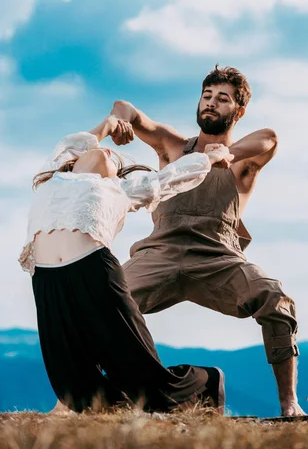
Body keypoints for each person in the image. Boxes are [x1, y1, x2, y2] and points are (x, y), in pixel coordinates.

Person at [111, 66, 305, 417]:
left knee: (276, 300)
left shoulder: (242, 161)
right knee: (101, 302)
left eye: (222, 99)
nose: (211, 104)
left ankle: (289, 405)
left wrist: (226, 154)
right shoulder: (172, 147)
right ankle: (75, 402)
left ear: (238, 111)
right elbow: (128, 109)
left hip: (218, 258)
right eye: (207, 96)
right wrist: (117, 121)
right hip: (160, 253)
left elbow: (271, 137)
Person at [19, 114, 232, 414]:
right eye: (106, 150)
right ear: (73, 161)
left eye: (115, 163)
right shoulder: (52, 174)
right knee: (77, 391)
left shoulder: (119, 190)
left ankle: (207, 381)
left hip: (94, 273)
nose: (108, 153)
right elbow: (74, 142)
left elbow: (170, 178)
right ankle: (118, 407)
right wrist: (108, 125)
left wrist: (209, 159)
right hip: (47, 282)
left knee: (147, 384)